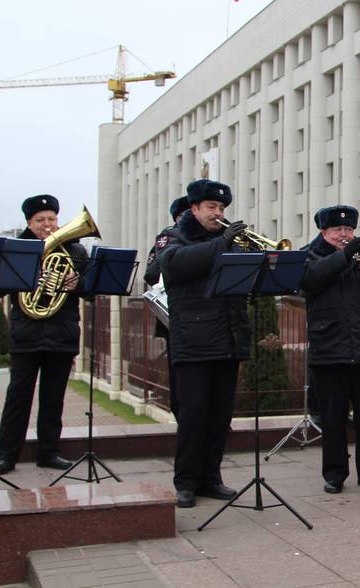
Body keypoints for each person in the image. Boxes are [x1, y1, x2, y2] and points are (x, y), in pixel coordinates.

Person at [157, 180, 250, 508]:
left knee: (219, 415)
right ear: (194, 209)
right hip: (194, 341)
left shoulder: (226, 241)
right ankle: (185, 481)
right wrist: (221, 244)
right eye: (211, 207)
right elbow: (174, 265)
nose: (218, 213)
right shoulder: (173, 237)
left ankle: (211, 476)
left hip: (228, 339)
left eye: (222, 208)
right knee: (193, 415)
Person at [299, 205, 360, 494]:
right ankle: (334, 474)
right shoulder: (310, 255)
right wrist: (344, 256)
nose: (344, 235)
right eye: (337, 230)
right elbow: (309, 281)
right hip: (329, 349)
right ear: (323, 231)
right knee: (333, 419)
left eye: (349, 230)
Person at [0, 195, 86, 476]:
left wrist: (77, 283)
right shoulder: (16, 250)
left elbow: (90, 291)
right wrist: (32, 274)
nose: (48, 225)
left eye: (52, 219)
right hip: (26, 334)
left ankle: (49, 453)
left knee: (53, 398)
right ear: (29, 223)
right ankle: (6, 455)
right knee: (18, 397)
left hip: (62, 332)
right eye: (40, 220)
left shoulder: (75, 250)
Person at [143, 196, 189, 419]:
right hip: (175, 314)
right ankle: (181, 416)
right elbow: (151, 274)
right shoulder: (167, 238)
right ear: (177, 218)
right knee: (179, 372)